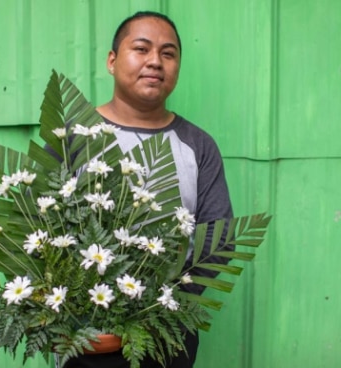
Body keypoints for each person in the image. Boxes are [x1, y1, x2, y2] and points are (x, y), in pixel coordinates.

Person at [63, 10, 233, 368]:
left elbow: (218, 241)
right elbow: (35, 228)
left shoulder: (197, 146)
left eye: (168, 54)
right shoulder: (74, 138)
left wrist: (163, 310)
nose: (155, 61)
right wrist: (73, 315)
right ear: (112, 60)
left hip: (167, 338)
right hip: (86, 338)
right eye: (141, 49)